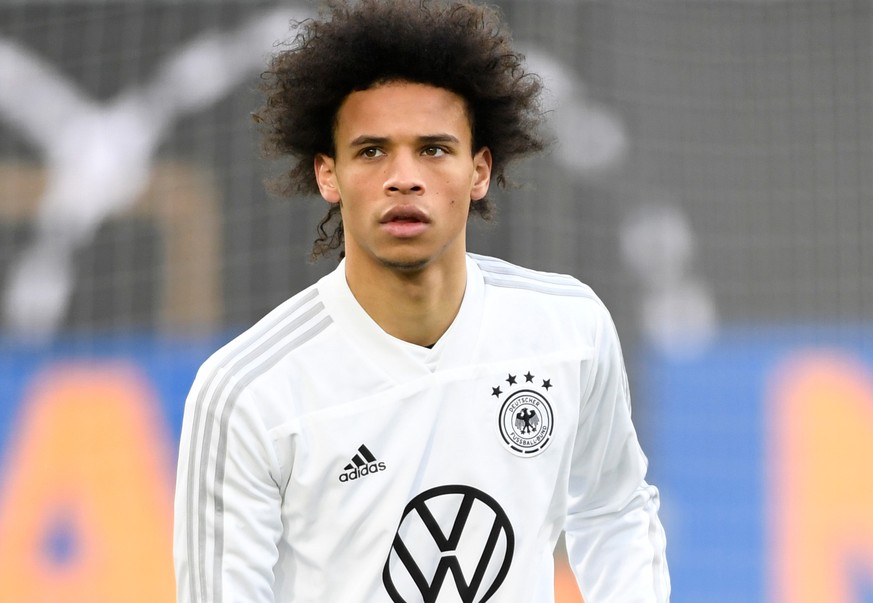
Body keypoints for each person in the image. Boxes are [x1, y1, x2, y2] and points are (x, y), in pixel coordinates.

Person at [173, 0, 670, 601]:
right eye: (372, 150)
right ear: (328, 175)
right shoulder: (246, 394)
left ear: (479, 170)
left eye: (433, 149)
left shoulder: (569, 330)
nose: (403, 177)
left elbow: (613, 509)